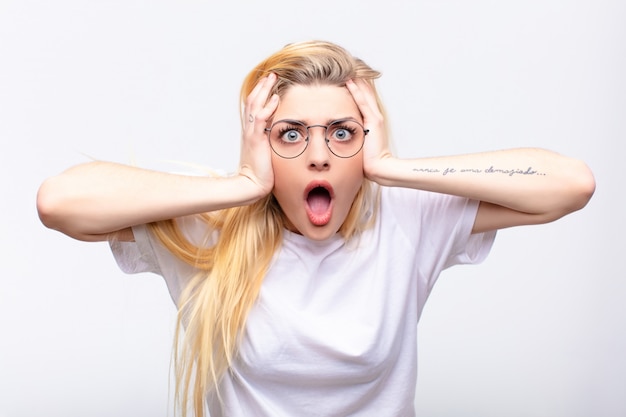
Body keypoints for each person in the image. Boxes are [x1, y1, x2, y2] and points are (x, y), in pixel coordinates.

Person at [36, 40, 595, 417]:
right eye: (291, 134)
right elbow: (60, 201)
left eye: (343, 133)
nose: (320, 156)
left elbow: (570, 183)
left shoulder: (407, 219)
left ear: (367, 141)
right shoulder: (211, 227)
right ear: (262, 142)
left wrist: (392, 169)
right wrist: (243, 185)